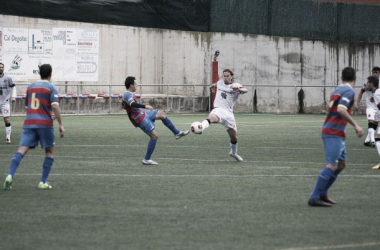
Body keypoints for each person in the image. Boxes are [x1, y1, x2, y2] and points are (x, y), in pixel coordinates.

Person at [3, 64, 65, 190]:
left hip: (29, 122)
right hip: (45, 123)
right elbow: (55, 106)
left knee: (22, 149)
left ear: (39, 73)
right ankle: (42, 182)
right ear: (50, 74)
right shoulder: (51, 88)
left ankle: (10, 175)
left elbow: (27, 106)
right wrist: (61, 124)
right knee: (49, 151)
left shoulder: (30, 87)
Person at [308, 67, 363, 207]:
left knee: (341, 165)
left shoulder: (336, 90)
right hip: (333, 133)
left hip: (334, 132)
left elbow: (331, 113)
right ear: (354, 78)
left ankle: (323, 194)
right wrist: (356, 125)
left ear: (341, 77)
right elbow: (340, 109)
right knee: (332, 165)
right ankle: (314, 197)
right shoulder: (349, 91)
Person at [122, 76, 189, 165]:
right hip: (139, 119)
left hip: (143, 114)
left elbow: (125, 105)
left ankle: (177, 133)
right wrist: (145, 106)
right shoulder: (127, 94)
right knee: (154, 136)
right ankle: (146, 159)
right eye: (135, 83)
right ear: (131, 85)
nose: (136, 85)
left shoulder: (128, 94)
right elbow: (132, 104)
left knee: (162, 115)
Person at [198, 69, 248, 162]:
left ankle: (233, 153)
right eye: (224, 76)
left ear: (231, 76)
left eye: (227, 76)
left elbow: (246, 90)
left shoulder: (235, 85)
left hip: (229, 114)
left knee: (234, 137)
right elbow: (215, 84)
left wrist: (239, 90)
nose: (225, 77)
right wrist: (212, 86)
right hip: (218, 109)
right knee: (212, 118)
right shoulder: (220, 82)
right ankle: (201, 127)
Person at [355, 66, 380, 147]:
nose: (375, 74)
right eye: (374, 72)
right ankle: (373, 141)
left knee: (375, 124)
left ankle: (367, 141)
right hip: (370, 106)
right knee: (371, 122)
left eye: (377, 72)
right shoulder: (367, 82)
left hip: (378, 107)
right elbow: (361, 92)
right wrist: (357, 104)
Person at [0, 62, 17, 144]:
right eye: (0, 67)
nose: (1, 68)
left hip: (4, 102)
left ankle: (8, 137)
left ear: (3, 68)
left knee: (6, 120)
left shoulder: (8, 78)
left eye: (2, 67)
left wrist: (13, 96)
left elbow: (13, 87)